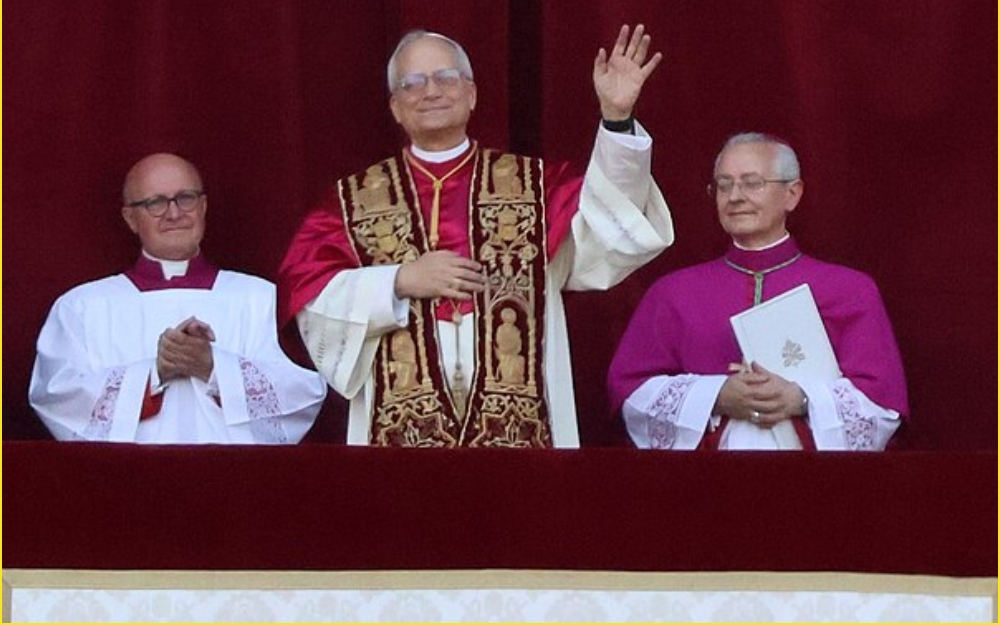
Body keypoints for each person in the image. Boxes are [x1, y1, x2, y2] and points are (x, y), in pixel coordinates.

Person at [278, 24, 675, 447]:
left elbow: (612, 219)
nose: (430, 91)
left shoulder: (536, 188)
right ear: (395, 106)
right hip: (400, 436)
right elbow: (308, 294)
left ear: (472, 94)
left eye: (445, 78)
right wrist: (397, 282)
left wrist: (616, 119)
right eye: (412, 83)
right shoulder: (351, 202)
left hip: (524, 431)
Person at [608, 132, 909, 451]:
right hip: (703, 486)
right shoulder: (673, 292)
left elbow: (881, 400)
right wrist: (718, 395)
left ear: (792, 194)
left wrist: (800, 397)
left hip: (816, 486)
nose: (734, 196)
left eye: (752, 183)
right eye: (723, 185)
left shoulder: (850, 290)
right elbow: (629, 392)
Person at [29, 153, 328, 444]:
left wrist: (213, 368)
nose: (174, 214)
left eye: (185, 198)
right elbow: (56, 395)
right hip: (125, 481)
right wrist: (154, 372)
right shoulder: (82, 307)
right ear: (130, 218)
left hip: (236, 479)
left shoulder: (262, 299)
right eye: (155, 203)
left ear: (203, 206)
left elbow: (305, 390)